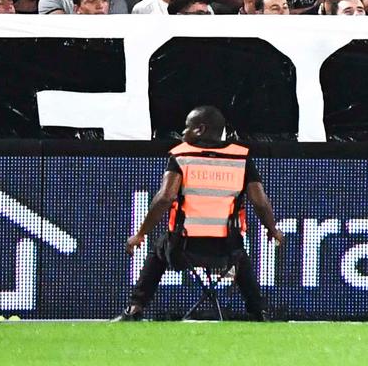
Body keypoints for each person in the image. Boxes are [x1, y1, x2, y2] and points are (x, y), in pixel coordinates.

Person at [120, 104, 285, 320]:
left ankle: (135, 308)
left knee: (159, 250)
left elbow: (165, 198)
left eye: (186, 127)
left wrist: (140, 233)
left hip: (183, 247)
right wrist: (272, 230)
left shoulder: (182, 156)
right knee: (240, 256)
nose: (183, 133)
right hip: (226, 249)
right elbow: (260, 202)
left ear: (200, 129)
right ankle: (259, 311)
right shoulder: (240, 159)